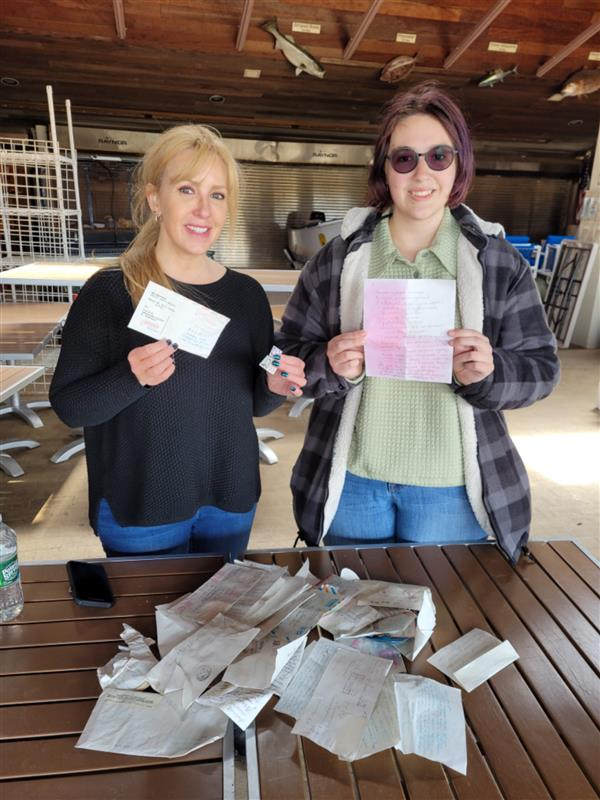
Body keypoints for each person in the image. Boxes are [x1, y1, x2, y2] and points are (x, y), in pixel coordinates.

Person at [276, 82, 559, 563]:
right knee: (351, 629)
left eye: (439, 156)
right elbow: (283, 361)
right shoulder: (338, 262)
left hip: (452, 491)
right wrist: (328, 364)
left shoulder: (495, 263)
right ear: (384, 169)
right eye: (404, 158)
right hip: (353, 486)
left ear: (459, 164)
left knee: (445, 626)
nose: (421, 173)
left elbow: (542, 369)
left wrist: (489, 374)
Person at [50, 125, 305, 559]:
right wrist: (131, 377)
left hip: (230, 498)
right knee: (148, 625)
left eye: (218, 195)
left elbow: (256, 401)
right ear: (155, 199)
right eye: (187, 189)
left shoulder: (246, 296)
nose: (203, 209)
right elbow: (71, 405)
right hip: (142, 506)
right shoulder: (112, 291)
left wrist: (276, 385)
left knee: (220, 624)